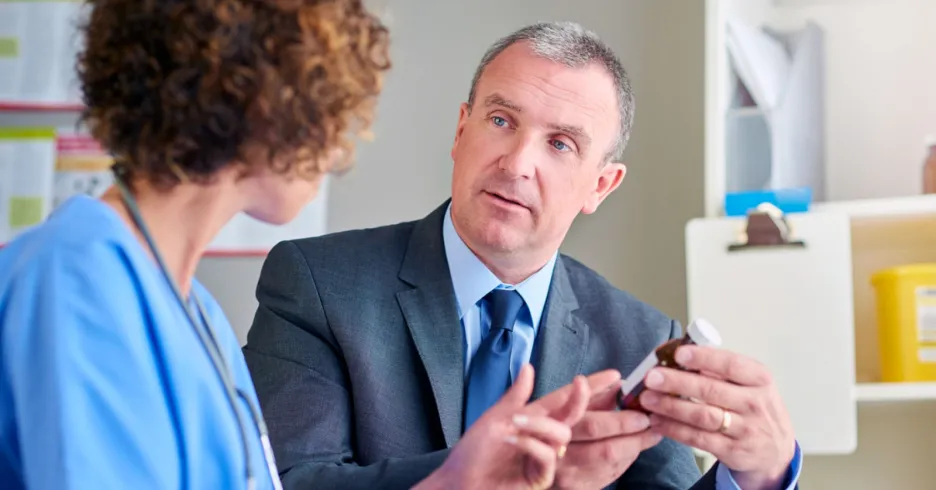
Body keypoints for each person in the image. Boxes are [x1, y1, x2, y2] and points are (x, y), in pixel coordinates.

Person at [0, 3, 591, 489]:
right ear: (258, 99)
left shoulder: (192, 309)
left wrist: (455, 480)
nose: (341, 143)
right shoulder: (78, 283)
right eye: (328, 98)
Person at [242, 21, 803, 490]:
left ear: (600, 186)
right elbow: (287, 482)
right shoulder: (316, 284)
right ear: (462, 131)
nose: (516, 164)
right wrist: (479, 478)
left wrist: (762, 473)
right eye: (501, 121)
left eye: (561, 144)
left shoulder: (639, 337)